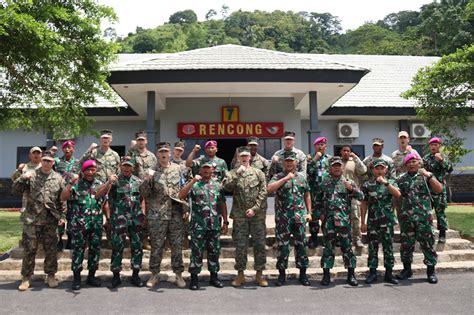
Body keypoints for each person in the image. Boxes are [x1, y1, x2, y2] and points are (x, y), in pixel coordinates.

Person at [12, 150, 65, 291]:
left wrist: (62, 217)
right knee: (29, 250)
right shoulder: (32, 175)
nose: (47, 163)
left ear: (53, 163)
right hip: (32, 219)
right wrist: (23, 178)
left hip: (50, 220)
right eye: (45, 160)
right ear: (41, 161)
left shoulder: (59, 178)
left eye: (50, 161)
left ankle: (51, 275)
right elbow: (16, 191)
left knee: (51, 250)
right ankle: (26, 277)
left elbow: (62, 200)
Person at [140, 142, 188, 289]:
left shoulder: (178, 169)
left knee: (177, 245)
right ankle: (154, 274)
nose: (163, 154)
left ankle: (178, 275)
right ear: (157, 153)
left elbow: (184, 190)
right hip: (157, 214)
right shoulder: (151, 171)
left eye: (166, 151)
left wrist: (186, 208)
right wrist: (147, 180)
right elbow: (143, 193)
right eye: (161, 151)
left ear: (170, 153)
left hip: (175, 214)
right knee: (157, 246)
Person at [178, 162, 229, 290]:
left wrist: (226, 222)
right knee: (196, 251)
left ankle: (214, 277)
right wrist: (192, 181)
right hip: (198, 225)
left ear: (212, 170)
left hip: (214, 225)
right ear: (200, 170)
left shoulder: (218, 185)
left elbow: (222, 204)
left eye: (208, 168)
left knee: (214, 251)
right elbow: (181, 196)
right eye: (204, 168)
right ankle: (194, 279)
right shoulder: (195, 185)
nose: (206, 170)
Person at [97, 156, 145, 288]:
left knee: (137, 247)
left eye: (129, 166)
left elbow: (142, 199)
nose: (126, 168)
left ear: (133, 167)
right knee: (117, 247)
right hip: (119, 219)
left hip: (135, 219)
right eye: (124, 165)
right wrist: (108, 183)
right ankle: (116, 276)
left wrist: (143, 214)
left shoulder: (138, 181)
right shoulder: (114, 181)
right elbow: (100, 195)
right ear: (120, 166)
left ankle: (135, 274)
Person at [224, 146, 268, 287]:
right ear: (237, 158)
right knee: (240, 246)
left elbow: (263, 192)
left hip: (257, 216)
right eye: (241, 156)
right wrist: (237, 174)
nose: (244, 158)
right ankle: (240, 275)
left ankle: (259, 274)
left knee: (259, 245)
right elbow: (226, 188)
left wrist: (255, 209)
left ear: (250, 157)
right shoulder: (231, 173)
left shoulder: (258, 173)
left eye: (246, 155)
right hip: (240, 216)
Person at [396, 152, 443, 284]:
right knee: (406, 245)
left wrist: (429, 175)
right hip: (407, 218)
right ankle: (406, 270)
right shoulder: (401, 179)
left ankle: (430, 271)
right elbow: (394, 193)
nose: (411, 164)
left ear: (419, 163)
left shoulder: (426, 177)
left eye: (413, 161)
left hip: (424, 218)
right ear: (405, 165)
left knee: (427, 244)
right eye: (408, 162)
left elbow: (439, 189)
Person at [317, 156, 364, 287]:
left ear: (342, 167)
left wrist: (351, 189)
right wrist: (319, 214)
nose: (337, 167)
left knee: (347, 248)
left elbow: (361, 196)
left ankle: (351, 275)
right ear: (330, 168)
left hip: (344, 221)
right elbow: (317, 201)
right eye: (334, 166)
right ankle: (326, 275)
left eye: (339, 165)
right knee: (328, 248)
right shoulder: (324, 183)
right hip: (329, 221)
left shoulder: (348, 182)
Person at [267, 151, 312, 287]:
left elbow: (307, 195)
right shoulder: (277, 176)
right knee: (283, 247)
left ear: (296, 163)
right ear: (283, 163)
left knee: (301, 246)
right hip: (283, 219)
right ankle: (281, 275)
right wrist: (285, 179)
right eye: (286, 161)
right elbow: (269, 188)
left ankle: (303, 274)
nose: (289, 163)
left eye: (291, 161)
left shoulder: (302, 178)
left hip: (299, 217)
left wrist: (309, 212)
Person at [60, 160, 105, 290]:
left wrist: (106, 218)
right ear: (83, 171)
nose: (91, 172)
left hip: (95, 223)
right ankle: (77, 278)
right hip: (79, 224)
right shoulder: (76, 183)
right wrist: (70, 184)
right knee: (78, 250)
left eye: (93, 170)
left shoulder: (99, 184)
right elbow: (63, 197)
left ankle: (91, 276)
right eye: (88, 170)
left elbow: (104, 202)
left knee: (94, 250)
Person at [361, 159, 400, 285]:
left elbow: (398, 194)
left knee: (388, 247)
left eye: (382, 168)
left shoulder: (391, 182)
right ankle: (372, 273)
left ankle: (389, 273)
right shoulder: (367, 185)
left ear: (386, 170)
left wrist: (386, 183)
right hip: (373, 221)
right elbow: (364, 203)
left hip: (387, 221)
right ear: (373, 170)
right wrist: (363, 221)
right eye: (377, 168)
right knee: (373, 248)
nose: (379, 170)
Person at [128, 130, 157, 251]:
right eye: (139, 140)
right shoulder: (132, 154)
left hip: (148, 190)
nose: (141, 142)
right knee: (134, 215)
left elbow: (156, 171)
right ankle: (134, 240)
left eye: (143, 140)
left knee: (148, 216)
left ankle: (145, 239)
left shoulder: (152, 156)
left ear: (146, 141)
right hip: (135, 189)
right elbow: (126, 167)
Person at [423, 137, 453, 243]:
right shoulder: (426, 158)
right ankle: (428, 232)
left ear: (439, 146)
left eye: (435, 145)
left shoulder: (443, 157)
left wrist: (441, 160)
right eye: (431, 145)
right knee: (426, 212)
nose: (433, 147)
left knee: (440, 212)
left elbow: (449, 169)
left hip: (439, 190)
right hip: (428, 190)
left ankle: (442, 234)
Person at [306, 136, 332, 249]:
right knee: (314, 216)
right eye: (318, 144)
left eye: (322, 144)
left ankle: (328, 239)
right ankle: (314, 238)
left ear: (326, 146)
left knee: (327, 215)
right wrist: (315, 159)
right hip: (314, 192)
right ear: (315, 146)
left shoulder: (330, 159)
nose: (320, 146)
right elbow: (308, 172)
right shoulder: (309, 158)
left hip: (326, 192)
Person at [54, 140, 79, 251]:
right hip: (60, 193)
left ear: (73, 149)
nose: (67, 149)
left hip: (73, 195)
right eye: (65, 147)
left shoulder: (78, 163)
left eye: (70, 147)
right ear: (62, 149)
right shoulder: (57, 161)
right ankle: (58, 240)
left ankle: (70, 239)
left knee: (72, 218)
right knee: (60, 217)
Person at [340, 145, 367, 248]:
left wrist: (356, 157)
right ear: (341, 152)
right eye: (344, 150)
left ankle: (357, 238)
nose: (346, 152)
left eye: (348, 151)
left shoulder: (354, 162)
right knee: (341, 217)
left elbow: (363, 170)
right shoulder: (337, 162)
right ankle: (344, 238)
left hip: (354, 193)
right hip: (341, 194)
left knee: (355, 216)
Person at [391, 131, 420, 219]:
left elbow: (421, 164)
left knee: (414, 208)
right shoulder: (394, 154)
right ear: (398, 140)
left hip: (412, 184)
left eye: (404, 138)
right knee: (400, 208)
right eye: (401, 138)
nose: (402, 140)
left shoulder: (413, 152)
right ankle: (403, 231)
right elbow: (392, 170)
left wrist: (411, 152)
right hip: (399, 185)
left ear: (408, 140)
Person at [11, 146, 42, 222]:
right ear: (29, 155)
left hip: (42, 200)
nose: (36, 155)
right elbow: (13, 179)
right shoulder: (24, 167)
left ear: (41, 155)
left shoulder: (45, 166)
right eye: (34, 153)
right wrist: (19, 170)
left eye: (38, 153)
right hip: (28, 201)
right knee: (27, 227)